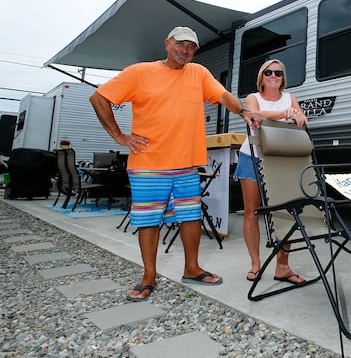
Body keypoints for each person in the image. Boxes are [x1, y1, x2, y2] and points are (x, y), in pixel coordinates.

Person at [90, 26, 260, 302]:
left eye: (191, 47)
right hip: (148, 163)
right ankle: (148, 276)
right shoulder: (139, 72)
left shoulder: (199, 73)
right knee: (149, 222)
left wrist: (244, 111)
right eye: (180, 44)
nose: (185, 51)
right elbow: (99, 98)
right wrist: (119, 136)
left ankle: (191, 268)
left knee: (191, 217)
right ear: (167, 43)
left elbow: (223, 95)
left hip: (186, 163)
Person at [234, 59, 308, 284]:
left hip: (281, 160)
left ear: (282, 77)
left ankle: (282, 266)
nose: (273, 75)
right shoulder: (252, 98)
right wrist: (284, 114)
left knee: (284, 212)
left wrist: (299, 117)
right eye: (268, 72)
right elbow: (255, 115)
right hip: (252, 157)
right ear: (262, 77)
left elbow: (301, 120)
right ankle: (256, 264)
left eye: (278, 72)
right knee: (251, 212)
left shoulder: (290, 98)